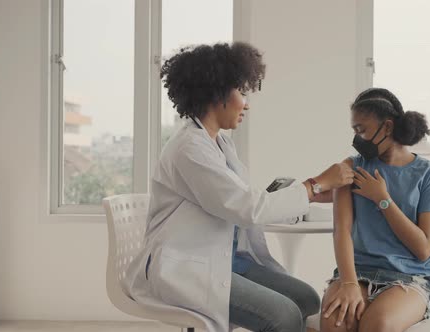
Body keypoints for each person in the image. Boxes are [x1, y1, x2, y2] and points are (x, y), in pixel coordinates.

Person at [122, 42, 354, 332]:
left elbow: (245, 200)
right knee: (283, 317)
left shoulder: (219, 142)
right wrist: (313, 184)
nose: (246, 102)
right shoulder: (189, 148)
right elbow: (246, 207)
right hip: (185, 266)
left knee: (306, 299)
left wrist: (312, 196)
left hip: (225, 260)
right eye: (241, 92)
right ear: (216, 93)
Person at [320, 88, 430, 332]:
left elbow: (423, 249)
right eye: (354, 130)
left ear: (388, 127)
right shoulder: (351, 167)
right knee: (335, 322)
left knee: (377, 324)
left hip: (410, 277)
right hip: (357, 273)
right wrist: (348, 282)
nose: (357, 138)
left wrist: (382, 199)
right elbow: (342, 231)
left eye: (361, 130)